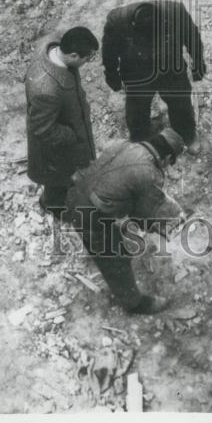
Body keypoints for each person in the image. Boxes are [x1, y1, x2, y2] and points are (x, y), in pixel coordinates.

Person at [65, 129, 185, 314]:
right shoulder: (149, 173)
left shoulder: (123, 144)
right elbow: (144, 213)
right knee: (116, 260)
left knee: (107, 238)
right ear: (167, 157)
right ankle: (133, 303)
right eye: (170, 162)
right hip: (90, 216)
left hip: (73, 192)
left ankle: (93, 243)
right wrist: (160, 225)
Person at [102, 0, 206, 154]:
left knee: (181, 103)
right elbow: (109, 53)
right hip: (137, 73)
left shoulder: (175, 12)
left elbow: (193, 38)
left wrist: (198, 64)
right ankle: (141, 142)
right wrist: (113, 78)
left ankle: (187, 135)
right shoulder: (117, 22)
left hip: (171, 68)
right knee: (137, 111)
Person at [25, 26, 99, 219]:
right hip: (56, 150)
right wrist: (71, 136)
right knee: (58, 181)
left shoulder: (56, 47)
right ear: (73, 55)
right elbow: (42, 128)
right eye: (87, 58)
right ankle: (52, 207)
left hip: (70, 126)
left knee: (69, 176)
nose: (87, 62)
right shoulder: (46, 90)